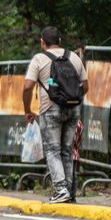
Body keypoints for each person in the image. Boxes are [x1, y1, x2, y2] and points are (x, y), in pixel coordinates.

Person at [23, 26, 88, 203]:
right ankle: (69, 192)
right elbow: (85, 86)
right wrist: (71, 99)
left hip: (50, 109)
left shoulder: (39, 59)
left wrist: (27, 110)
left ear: (42, 42)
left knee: (53, 150)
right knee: (67, 150)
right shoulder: (74, 57)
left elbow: (27, 87)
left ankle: (60, 190)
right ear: (60, 41)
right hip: (73, 109)